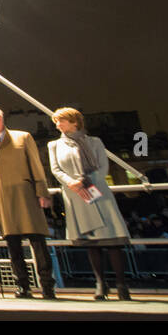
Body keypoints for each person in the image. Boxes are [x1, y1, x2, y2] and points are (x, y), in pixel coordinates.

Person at [48, 107, 132, 300]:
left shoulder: (94, 142)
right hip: (76, 194)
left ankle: (121, 285)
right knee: (91, 243)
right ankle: (100, 283)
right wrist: (72, 183)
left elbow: (103, 167)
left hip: (98, 192)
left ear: (74, 122)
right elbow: (56, 169)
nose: (58, 125)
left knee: (112, 240)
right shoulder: (54, 145)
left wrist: (89, 181)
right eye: (56, 122)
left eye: (61, 121)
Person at [0, 106, 55, 299]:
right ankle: (23, 285)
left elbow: (36, 166)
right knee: (13, 245)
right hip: (2, 199)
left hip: (27, 196)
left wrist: (42, 193)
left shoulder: (22, 137)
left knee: (38, 242)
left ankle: (47, 285)